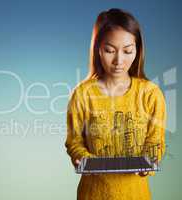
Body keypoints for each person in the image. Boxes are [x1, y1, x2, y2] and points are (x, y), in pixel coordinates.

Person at [65, 8, 166, 200]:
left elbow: (155, 142)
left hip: (136, 194)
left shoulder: (150, 94)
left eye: (128, 51)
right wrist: (82, 159)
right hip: (93, 194)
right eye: (110, 50)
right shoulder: (82, 94)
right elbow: (74, 142)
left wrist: (149, 161)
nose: (119, 60)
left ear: (138, 49)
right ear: (97, 50)